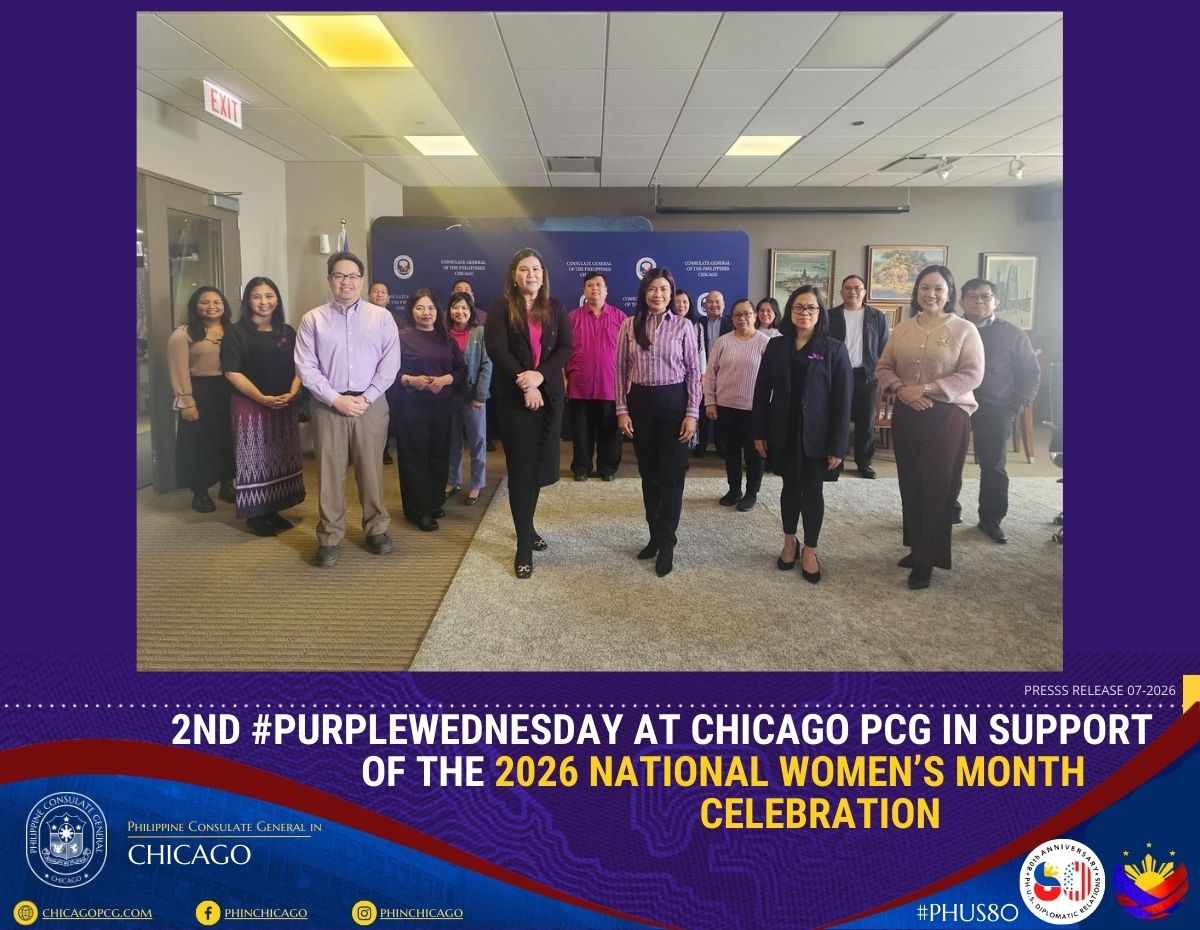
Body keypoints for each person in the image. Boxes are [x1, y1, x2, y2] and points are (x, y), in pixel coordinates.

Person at [876, 265, 984, 590]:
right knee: (911, 482)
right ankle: (916, 546)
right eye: (925, 287)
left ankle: (928, 558)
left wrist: (924, 389)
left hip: (948, 415)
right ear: (916, 292)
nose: (931, 294)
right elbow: (884, 367)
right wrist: (901, 389)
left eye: (938, 288)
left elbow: (972, 374)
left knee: (939, 485)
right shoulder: (902, 329)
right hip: (907, 413)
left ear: (949, 293)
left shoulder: (964, 329)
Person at [295, 251, 401, 568]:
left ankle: (376, 529)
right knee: (329, 472)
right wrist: (335, 399)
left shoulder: (381, 318)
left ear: (362, 280)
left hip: (371, 404)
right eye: (339, 276)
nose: (346, 282)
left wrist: (366, 397)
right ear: (330, 280)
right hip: (328, 405)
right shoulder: (313, 319)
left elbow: (390, 363)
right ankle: (329, 537)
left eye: (353, 276)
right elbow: (305, 366)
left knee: (371, 470)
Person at [752, 286, 852, 584]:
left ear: (820, 313)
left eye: (811, 308)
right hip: (783, 430)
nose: (804, 313)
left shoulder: (834, 348)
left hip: (817, 434)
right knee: (789, 487)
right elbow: (761, 392)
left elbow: (843, 402)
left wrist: (838, 445)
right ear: (790, 311)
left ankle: (810, 549)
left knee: (813, 490)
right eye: (798, 307)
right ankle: (789, 542)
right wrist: (759, 431)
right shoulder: (776, 346)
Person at [484, 248, 573, 579]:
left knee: (537, 469)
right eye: (524, 269)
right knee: (520, 471)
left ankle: (528, 526)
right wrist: (526, 382)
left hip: (549, 397)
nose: (531, 274)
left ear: (543, 275)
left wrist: (540, 377)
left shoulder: (555, 307)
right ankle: (523, 543)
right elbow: (497, 348)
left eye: (536, 269)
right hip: (514, 398)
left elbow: (565, 348)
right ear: (514, 275)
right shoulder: (500, 306)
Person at [615, 267, 701, 578]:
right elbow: (620, 371)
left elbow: (694, 371)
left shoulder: (684, 326)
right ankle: (654, 536)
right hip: (640, 406)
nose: (658, 294)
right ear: (644, 292)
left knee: (671, 477)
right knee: (649, 475)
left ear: (671, 293)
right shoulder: (629, 325)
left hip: (674, 407)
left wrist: (692, 413)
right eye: (652, 288)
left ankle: (667, 542)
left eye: (664, 289)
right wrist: (622, 410)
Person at [956, 277, 1041, 544]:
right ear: (961, 302)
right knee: (949, 462)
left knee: (993, 465)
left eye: (986, 296)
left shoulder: (1013, 334)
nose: (979, 301)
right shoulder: (952, 328)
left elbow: (1030, 373)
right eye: (973, 296)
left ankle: (990, 520)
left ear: (997, 301)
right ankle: (948, 510)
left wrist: (1016, 405)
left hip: (996, 409)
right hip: (955, 407)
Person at [221, 277, 306, 537]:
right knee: (254, 458)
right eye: (257, 296)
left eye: (269, 296)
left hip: (284, 402)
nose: (263, 302)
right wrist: (261, 398)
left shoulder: (287, 331)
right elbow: (231, 371)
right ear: (247, 301)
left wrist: (293, 392)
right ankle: (255, 515)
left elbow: (302, 365)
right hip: (250, 405)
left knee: (279, 456)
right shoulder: (236, 332)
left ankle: (273, 509)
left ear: (277, 300)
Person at [389, 289, 465, 531]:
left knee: (438, 455)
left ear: (438, 311)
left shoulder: (446, 339)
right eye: (420, 308)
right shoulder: (401, 338)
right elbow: (388, 371)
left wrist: (445, 380)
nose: (426, 313)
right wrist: (410, 380)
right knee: (415, 458)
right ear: (411, 310)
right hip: (412, 407)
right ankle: (417, 511)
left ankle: (434, 502)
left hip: (442, 406)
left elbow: (461, 370)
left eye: (431, 308)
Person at [167, 286, 236, 513]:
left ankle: (227, 485)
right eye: (205, 302)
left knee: (227, 440)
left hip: (228, 389)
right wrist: (186, 402)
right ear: (195, 306)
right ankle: (200, 492)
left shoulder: (232, 331)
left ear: (224, 305)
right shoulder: (182, 335)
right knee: (199, 444)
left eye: (216, 301)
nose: (211, 306)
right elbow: (178, 370)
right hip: (199, 391)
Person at [704, 299, 772, 511]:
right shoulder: (723, 342)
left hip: (754, 410)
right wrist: (710, 401)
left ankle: (751, 493)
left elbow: (772, 379)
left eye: (747, 314)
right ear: (732, 318)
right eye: (738, 315)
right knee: (731, 452)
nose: (742, 318)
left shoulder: (765, 342)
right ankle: (734, 490)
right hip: (726, 407)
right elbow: (710, 374)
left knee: (754, 454)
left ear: (755, 316)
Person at [828, 274, 890, 479]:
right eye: (848, 288)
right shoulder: (831, 315)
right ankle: (836, 461)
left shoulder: (877, 317)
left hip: (867, 376)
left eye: (857, 288)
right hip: (838, 375)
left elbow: (884, 347)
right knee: (839, 419)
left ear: (864, 292)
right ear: (841, 292)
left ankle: (864, 463)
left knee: (866, 422)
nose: (852, 291)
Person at [565, 271, 624, 482]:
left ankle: (608, 467)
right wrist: (563, 377)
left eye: (599, 285)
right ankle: (581, 467)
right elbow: (562, 351)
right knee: (582, 432)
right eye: (590, 285)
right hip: (579, 385)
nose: (595, 288)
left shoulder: (620, 318)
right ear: (584, 290)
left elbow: (629, 353)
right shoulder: (571, 318)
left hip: (611, 386)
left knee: (610, 431)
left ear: (606, 290)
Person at [445, 291, 491, 505]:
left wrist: (480, 395)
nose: (460, 311)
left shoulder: (480, 332)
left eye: (464, 307)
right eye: (455, 307)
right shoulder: (444, 333)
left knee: (477, 441)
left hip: (473, 396)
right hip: (449, 396)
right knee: (452, 441)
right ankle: (452, 480)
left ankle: (476, 484)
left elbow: (487, 365)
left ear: (471, 311)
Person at [696, 289, 732, 457]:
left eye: (718, 302)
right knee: (703, 410)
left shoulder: (730, 323)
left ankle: (721, 446)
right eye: (710, 301)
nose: (714, 305)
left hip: (725, 373)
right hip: (703, 374)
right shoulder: (697, 324)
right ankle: (701, 445)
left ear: (723, 305)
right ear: (705, 305)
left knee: (722, 411)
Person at [367, 281, 398, 466]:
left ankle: (384, 448)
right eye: (375, 291)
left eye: (383, 292)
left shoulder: (395, 320)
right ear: (368, 295)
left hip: (388, 377)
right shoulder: (359, 318)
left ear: (389, 298)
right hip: (364, 377)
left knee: (385, 414)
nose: (379, 294)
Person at [673, 289, 708, 374]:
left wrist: (703, 374)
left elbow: (701, 350)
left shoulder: (697, 326)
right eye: (677, 302)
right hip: (674, 372)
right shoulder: (666, 324)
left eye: (685, 302)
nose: (681, 305)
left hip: (693, 372)